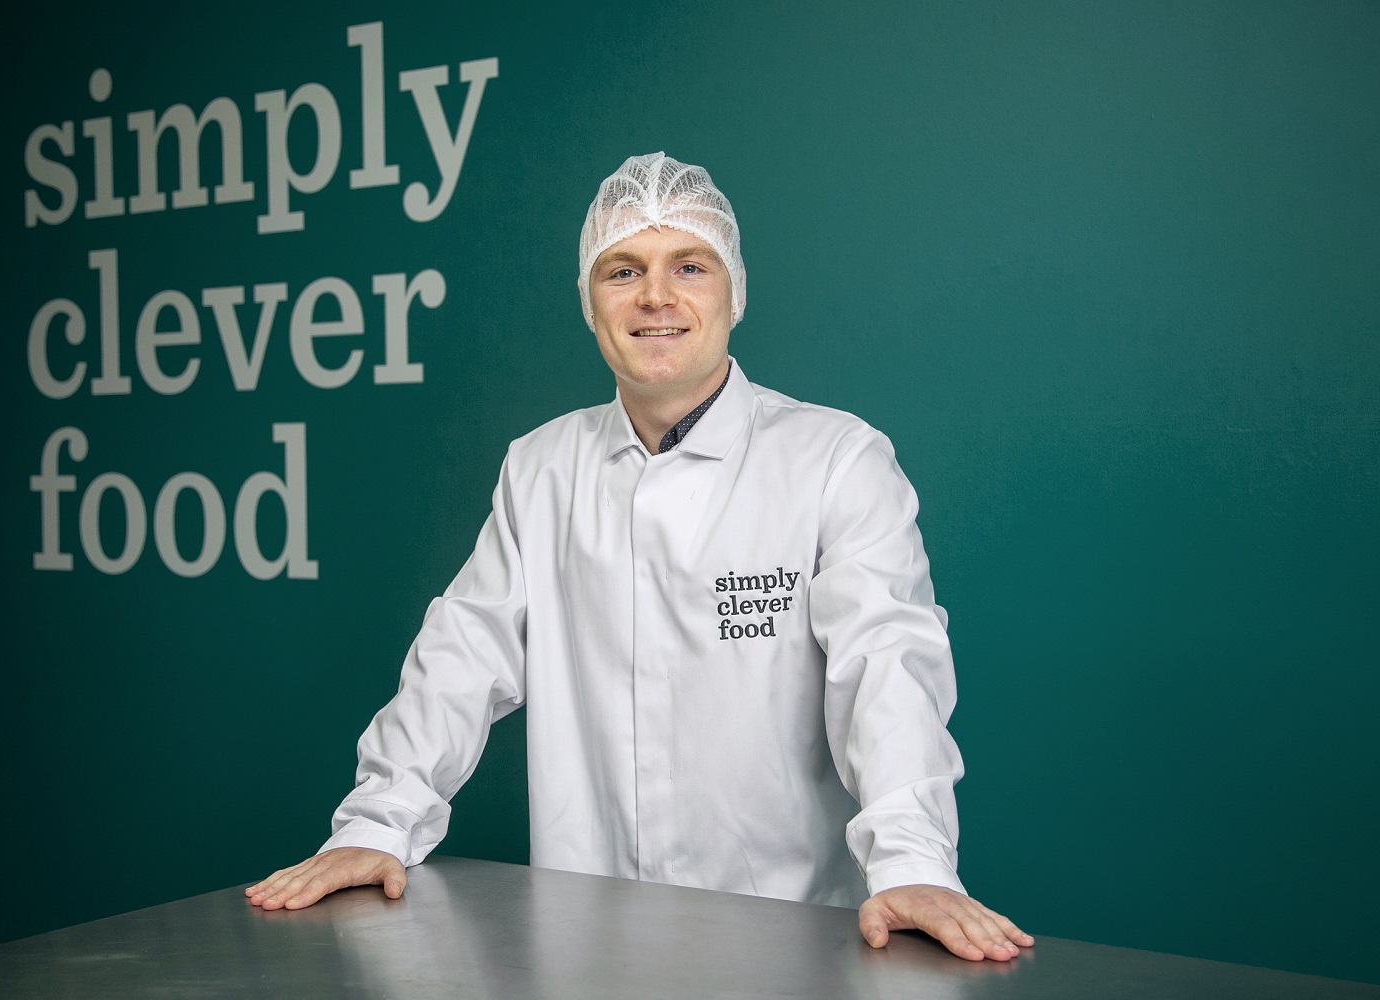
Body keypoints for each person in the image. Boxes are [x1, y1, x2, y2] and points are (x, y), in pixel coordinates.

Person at [247, 152, 1034, 962]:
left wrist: (912, 861)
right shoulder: (540, 467)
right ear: (589, 304)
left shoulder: (837, 459)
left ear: (733, 293)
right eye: (623, 271)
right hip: (586, 941)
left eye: (688, 266)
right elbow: (461, 653)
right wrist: (379, 820)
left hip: (783, 944)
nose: (655, 296)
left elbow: (886, 669)